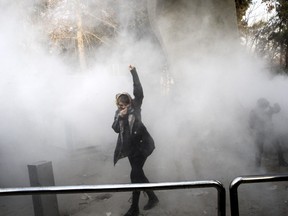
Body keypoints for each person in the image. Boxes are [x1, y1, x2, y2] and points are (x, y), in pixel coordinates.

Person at [112, 65, 159, 216]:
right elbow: (115, 128)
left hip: (143, 147)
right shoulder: (118, 113)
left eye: (125, 105)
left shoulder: (136, 107)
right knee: (139, 174)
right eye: (120, 106)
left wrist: (134, 72)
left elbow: (139, 92)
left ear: (130, 103)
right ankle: (152, 197)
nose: (123, 108)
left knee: (135, 175)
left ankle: (134, 208)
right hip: (131, 149)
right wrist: (120, 117)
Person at [249, 98, 288, 167]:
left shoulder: (268, 110)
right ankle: (257, 166)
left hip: (269, 131)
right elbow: (251, 124)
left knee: (277, 146)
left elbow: (277, 110)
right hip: (261, 132)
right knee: (259, 150)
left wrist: (277, 105)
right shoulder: (254, 111)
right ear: (260, 104)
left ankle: (281, 162)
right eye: (264, 104)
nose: (265, 105)